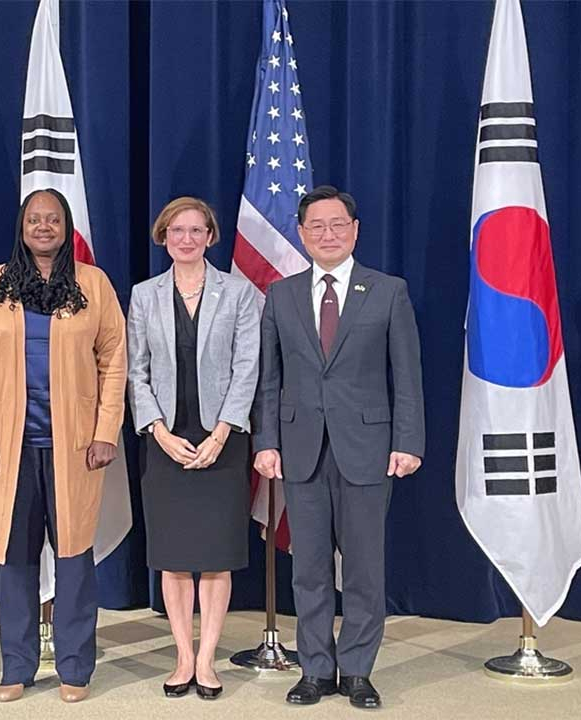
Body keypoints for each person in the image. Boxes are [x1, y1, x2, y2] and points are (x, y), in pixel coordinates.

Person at [253, 185, 424, 709]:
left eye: (337, 225)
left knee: (365, 566)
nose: (327, 235)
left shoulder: (388, 290)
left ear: (355, 229)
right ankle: (316, 670)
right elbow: (269, 378)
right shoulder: (282, 294)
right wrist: (266, 441)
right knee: (308, 568)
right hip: (300, 447)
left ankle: (357, 670)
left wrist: (408, 441)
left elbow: (407, 375)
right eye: (316, 227)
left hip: (369, 447)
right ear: (302, 234)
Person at [0, 188, 127, 704]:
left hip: (75, 448)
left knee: (74, 557)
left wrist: (105, 432)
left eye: (54, 219)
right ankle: (17, 667)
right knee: (14, 560)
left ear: (67, 226)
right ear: (22, 226)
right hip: (9, 451)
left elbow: (114, 361)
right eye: (35, 219)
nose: (44, 226)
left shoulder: (92, 285)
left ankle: (75, 668)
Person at [126, 197, 260, 700]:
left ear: (211, 236)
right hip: (163, 439)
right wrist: (157, 431)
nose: (186, 238)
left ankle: (208, 659)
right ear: (164, 236)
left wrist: (223, 432)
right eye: (177, 230)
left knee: (217, 556)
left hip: (222, 440)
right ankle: (183, 654)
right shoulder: (143, 295)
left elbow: (249, 367)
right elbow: (134, 371)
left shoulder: (240, 293)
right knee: (175, 557)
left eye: (196, 230)